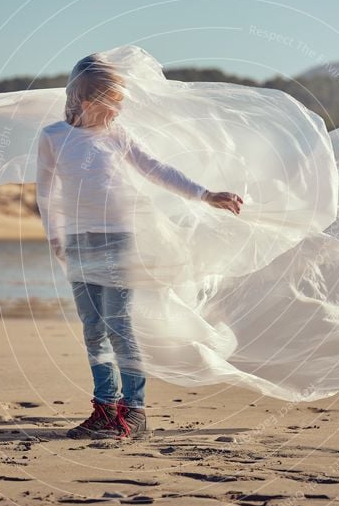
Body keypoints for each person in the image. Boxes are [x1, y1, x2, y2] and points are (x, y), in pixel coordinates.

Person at [36, 54, 243, 441]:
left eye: (120, 99)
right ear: (86, 96)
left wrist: (205, 194)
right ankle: (104, 408)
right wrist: (54, 237)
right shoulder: (53, 138)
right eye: (112, 99)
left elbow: (156, 168)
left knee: (119, 325)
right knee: (93, 328)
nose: (119, 107)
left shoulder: (118, 136)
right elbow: (45, 195)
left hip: (118, 240)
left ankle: (134, 412)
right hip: (79, 244)